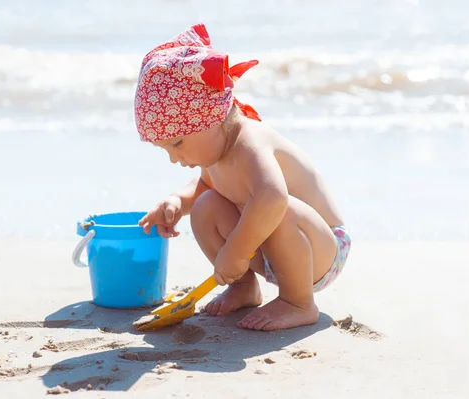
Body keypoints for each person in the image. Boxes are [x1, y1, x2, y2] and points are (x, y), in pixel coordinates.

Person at [134, 23, 351, 331]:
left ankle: (299, 302)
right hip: (272, 254)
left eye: (177, 143)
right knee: (206, 204)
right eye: (166, 149)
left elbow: (272, 198)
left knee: (278, 206)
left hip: (322, 250)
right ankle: (245, 287)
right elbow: (206, 185)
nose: (174, 157)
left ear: (212, 117)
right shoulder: (215, 153)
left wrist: (235, 251)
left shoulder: (251, 143)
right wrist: (176, 203)